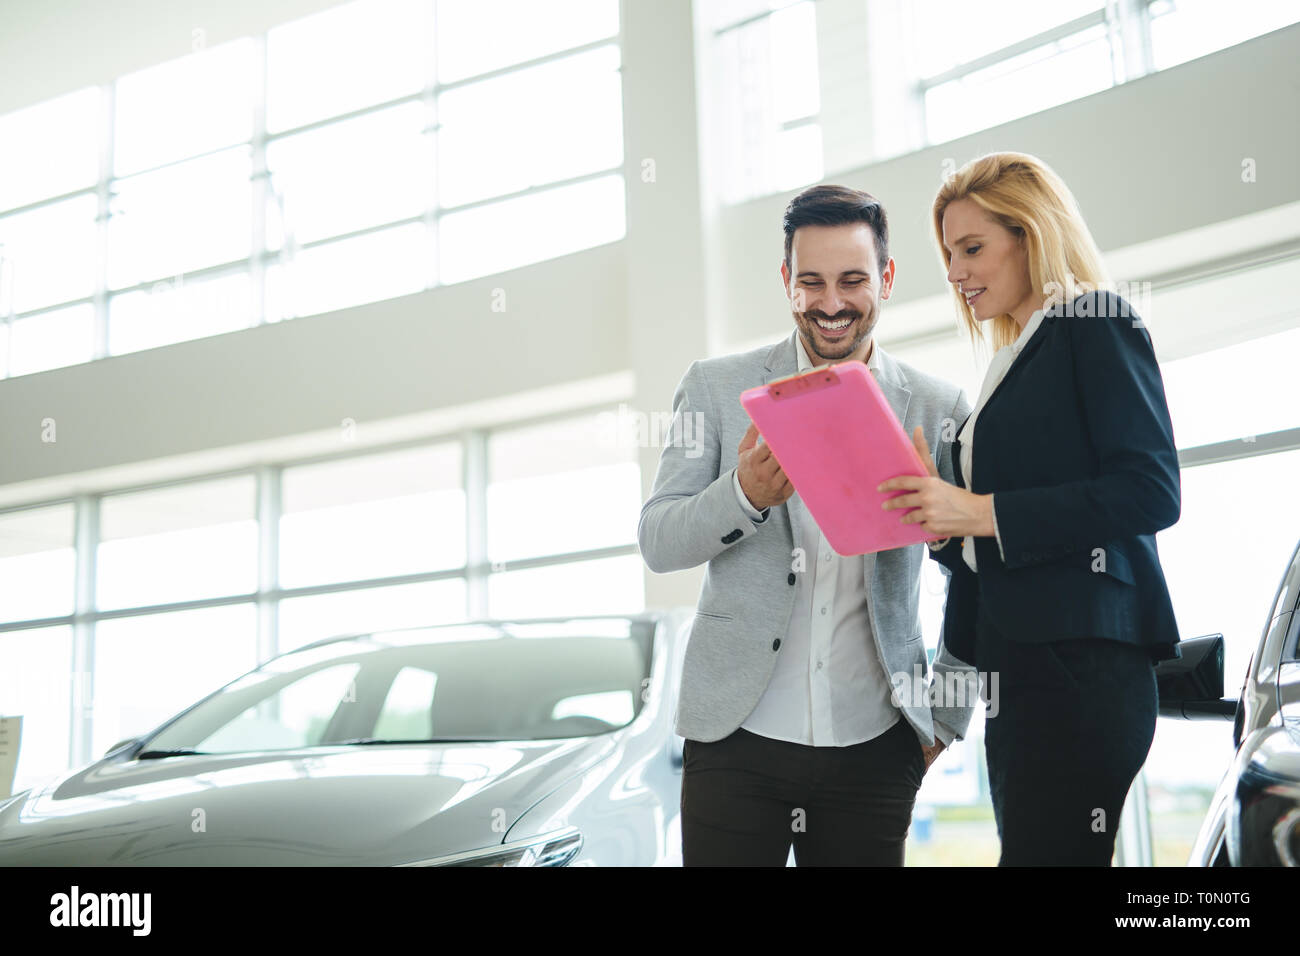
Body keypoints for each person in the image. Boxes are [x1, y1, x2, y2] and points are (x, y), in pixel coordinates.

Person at [639, 184, 978, 866]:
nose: (831, 305)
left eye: (852, 280)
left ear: (885, 277)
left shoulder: (940, 407)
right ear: (787, 283)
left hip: (876, 746)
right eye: (811, 282)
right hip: (736, 738)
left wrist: (945, 716)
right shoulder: (715, 387)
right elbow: (659, 539)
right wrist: (743, 494)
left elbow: (980, 575)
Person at [878, 152, 1182, 865]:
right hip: (1017, 671)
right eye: (949, 254)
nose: (955, 272)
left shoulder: (1094, 321)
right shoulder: (1009, 361)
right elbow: (990, 544)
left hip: (1083, 667)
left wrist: (977, 511)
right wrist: (942, 523)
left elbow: (1151, 490)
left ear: (1033, 234)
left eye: (973, 248)